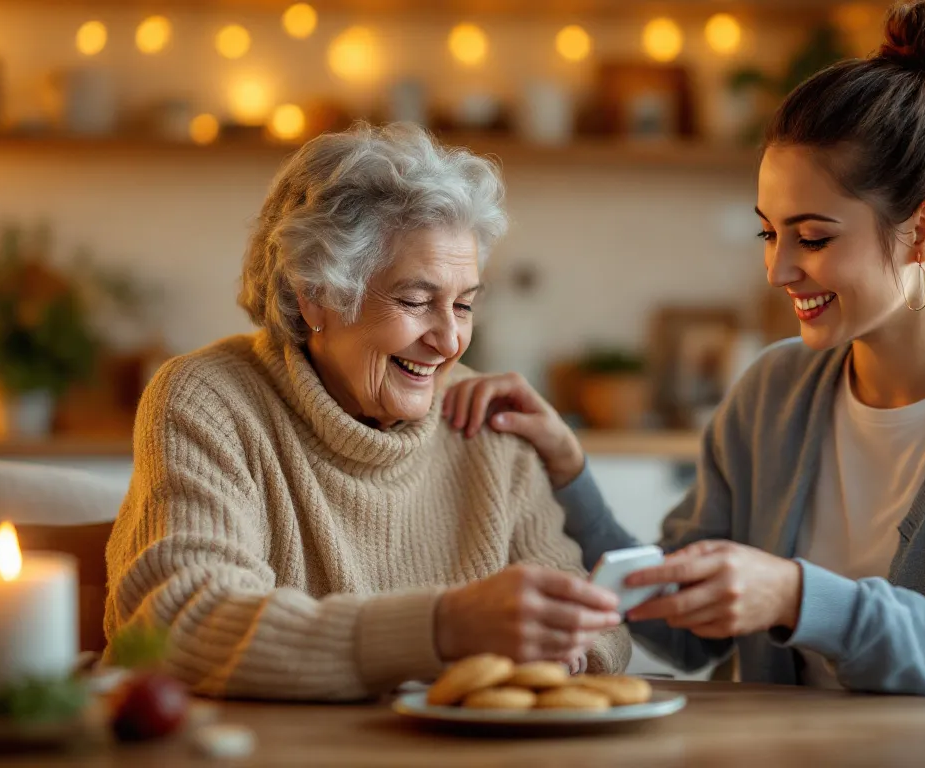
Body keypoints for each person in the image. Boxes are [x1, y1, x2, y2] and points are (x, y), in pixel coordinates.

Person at [442, 1, 925, 764]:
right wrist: (566, 468)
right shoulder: (773, 389)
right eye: (769, 232)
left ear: (924, 231)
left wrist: (793, 595)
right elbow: (677, 629)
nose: (779, 269)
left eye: (812, 237)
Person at [104, 124, 629, 701]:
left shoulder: (485, 417)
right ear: (317, 296)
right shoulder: (210, 400)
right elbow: (183, 622)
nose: (451, 340)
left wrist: (570, 647)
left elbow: (599, 618)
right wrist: (441, 628)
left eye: (464, 305)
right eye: (414, 301)